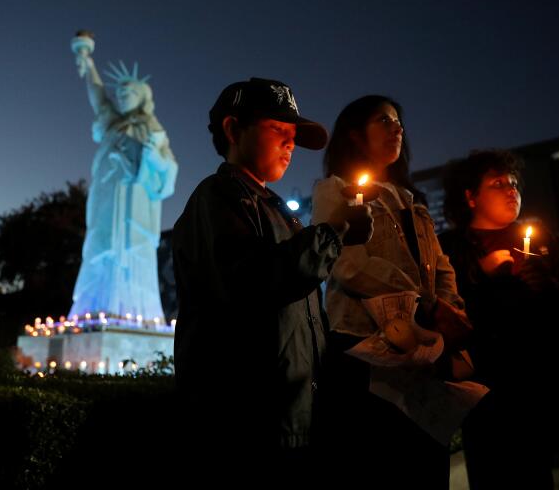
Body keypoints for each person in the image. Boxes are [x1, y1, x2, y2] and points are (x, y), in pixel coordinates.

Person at [171, 77, 373, 467]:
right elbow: (254, 282)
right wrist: (335, 230)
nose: (290, 144)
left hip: (289, 419)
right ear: (233, 129)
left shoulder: (273, 209)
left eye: (293, 135)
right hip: (244, 424)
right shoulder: (217, 198)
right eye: (277, 130)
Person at [313, 95, 485, 488]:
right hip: (363, 349)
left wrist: (450, 310)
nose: (397, 129)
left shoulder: (412, 201)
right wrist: (427, 304)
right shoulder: (335, 191)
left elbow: (440, 268)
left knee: (424, 460)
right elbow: (348, 265)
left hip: (421, 349)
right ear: (356, 136)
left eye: (398, 122)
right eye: (384, 121)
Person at [439, 149, 559, 489]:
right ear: (470, 197)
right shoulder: (451, 249)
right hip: (486, 393)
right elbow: (447, 313)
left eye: (513, 182)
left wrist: (548, 286)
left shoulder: (546, 243)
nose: (511, 189)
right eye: (498, 183)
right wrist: (482, 276)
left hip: (544, 387)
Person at [69, 32, 178, 322]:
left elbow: (169, 170)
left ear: (142, 97)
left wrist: (153, 155)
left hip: (136, 205)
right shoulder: (112, 123)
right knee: (99, 248)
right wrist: (87, 61)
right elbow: (98, 95)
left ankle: (139, 315)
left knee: (136, 255)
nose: (122, 95)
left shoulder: (152, 129)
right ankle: (90, 312)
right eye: (120, 92)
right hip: (107, 199)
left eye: (129, 91)